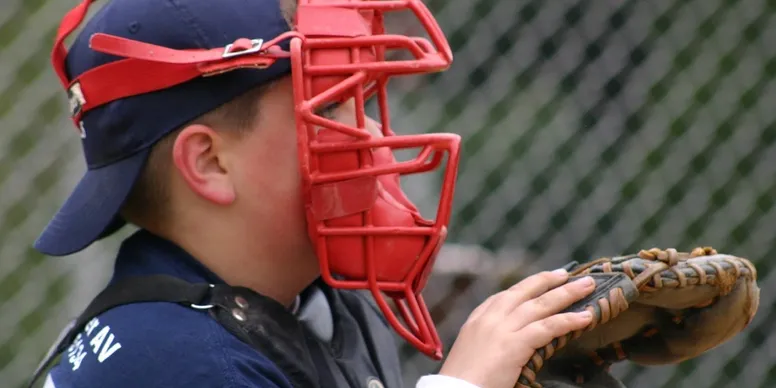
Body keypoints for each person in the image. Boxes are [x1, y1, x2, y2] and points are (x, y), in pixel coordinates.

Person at [29, 0, 596, 387]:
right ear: (210, 162)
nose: (371, 134)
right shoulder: (178, 361)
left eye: (361, 105)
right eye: (328, 108)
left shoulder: (318, 304)